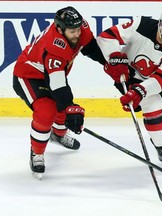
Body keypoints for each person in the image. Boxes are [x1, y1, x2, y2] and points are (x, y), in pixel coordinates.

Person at [97, 6, 162, 170]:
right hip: (128, 76)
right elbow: (107, 36)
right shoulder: (142, 25)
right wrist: (114, 57)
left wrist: (140, 91)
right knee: (153, 104)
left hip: (153, 81)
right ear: (161, 25)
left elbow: (160, 79)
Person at [13, 6, 105, 178]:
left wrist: (111, 64)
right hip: (28, 75)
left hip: (51, 74)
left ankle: (58, 134)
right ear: (59, 29)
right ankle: (37, 152)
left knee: (63, 108)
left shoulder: (80, 28)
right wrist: (69, 105)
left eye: (78, 29)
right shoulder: (53, 45)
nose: (77, 34)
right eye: (72, 31)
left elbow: (91, 48)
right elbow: (57, 84)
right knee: (48, 110)